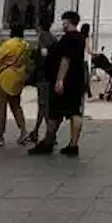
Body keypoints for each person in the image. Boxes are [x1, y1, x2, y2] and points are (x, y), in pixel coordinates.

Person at [29, 11, 86, 156]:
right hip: (77, 80)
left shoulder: (68, 39)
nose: (62, 24)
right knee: (74, 111)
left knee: (54, 112)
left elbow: (65, 60)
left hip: (65, 80)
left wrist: (60, 80)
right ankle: (73, 145)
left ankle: (48, 141)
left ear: (69, 21)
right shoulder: (80, 37)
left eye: (64, 21)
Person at [0, 24, 31, 146]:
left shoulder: (9, 44)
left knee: (1, 106)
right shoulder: (25, 45)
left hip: (6, 76)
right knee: (16, 105)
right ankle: (23, 132)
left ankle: (0, 136)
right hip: (18, 77)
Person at [24, 28, 55, 145]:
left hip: (43, 79)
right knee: (44, 107)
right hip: (48, 80)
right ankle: (40, 131)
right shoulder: (53, 44)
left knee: (44, 107)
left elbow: (38, 62)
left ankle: (47, 133)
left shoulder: (43, 49)